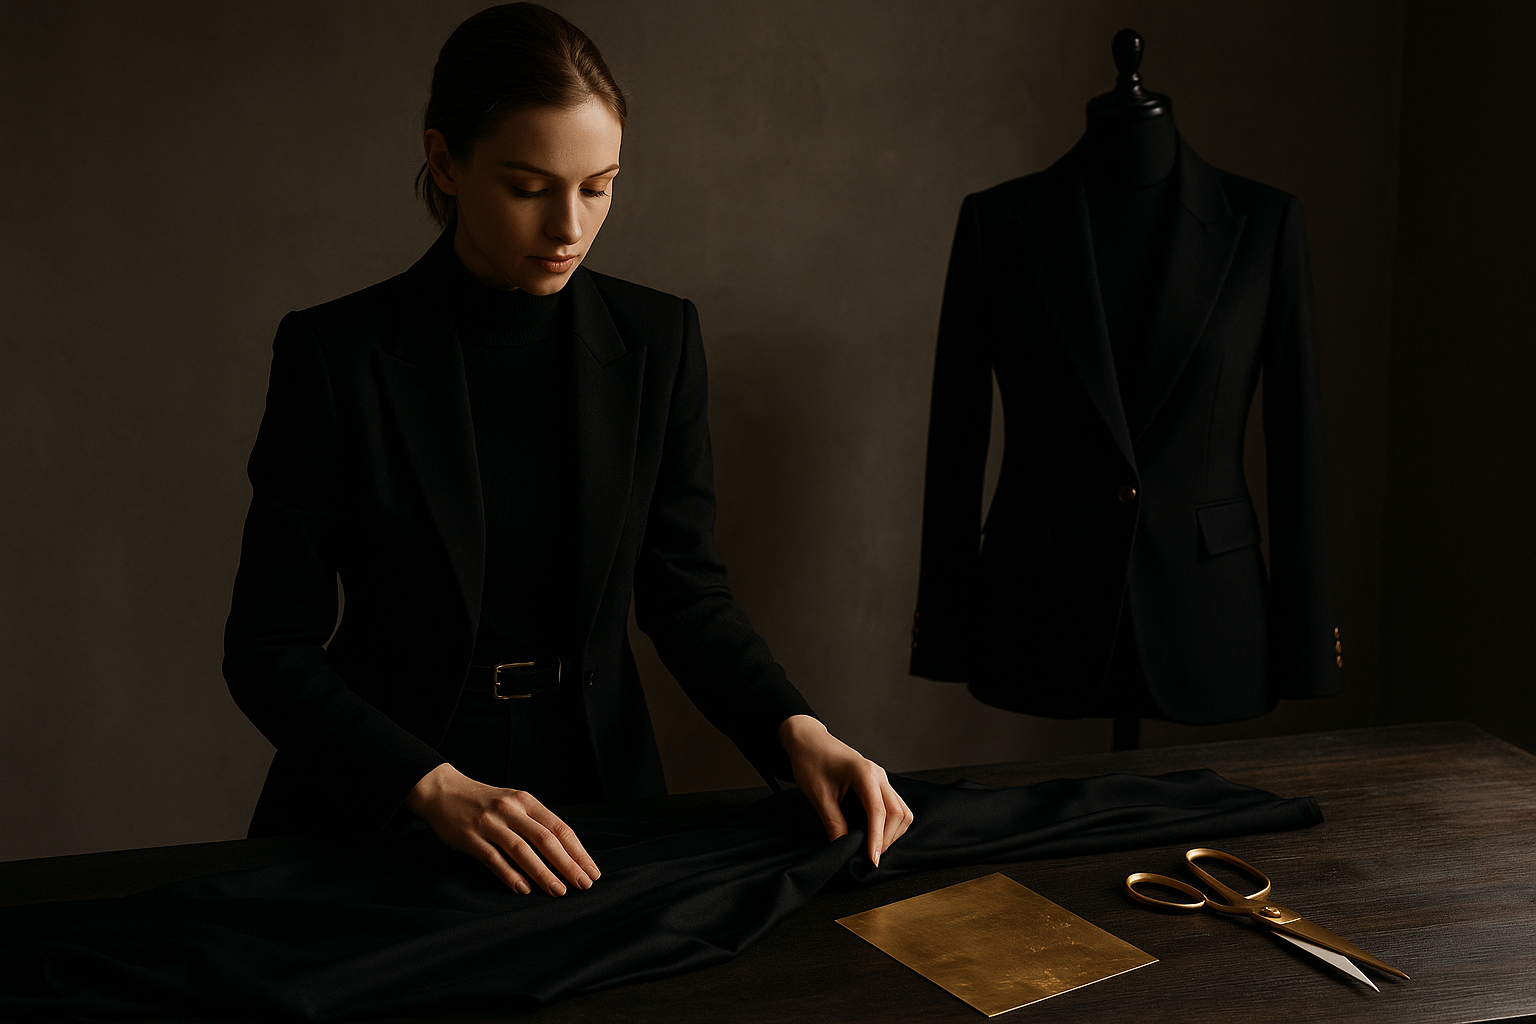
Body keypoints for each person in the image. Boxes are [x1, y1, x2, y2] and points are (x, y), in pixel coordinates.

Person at [222, 2, 911, 899]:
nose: (570, 227)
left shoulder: (656, 339)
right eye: (528, 187)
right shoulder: (338, 355)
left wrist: (795, 727)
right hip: (384, 807)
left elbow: (685, 592)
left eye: (599, 185)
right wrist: (428, 787)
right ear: (445, 162)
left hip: (600, 799)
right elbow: (267, 646)